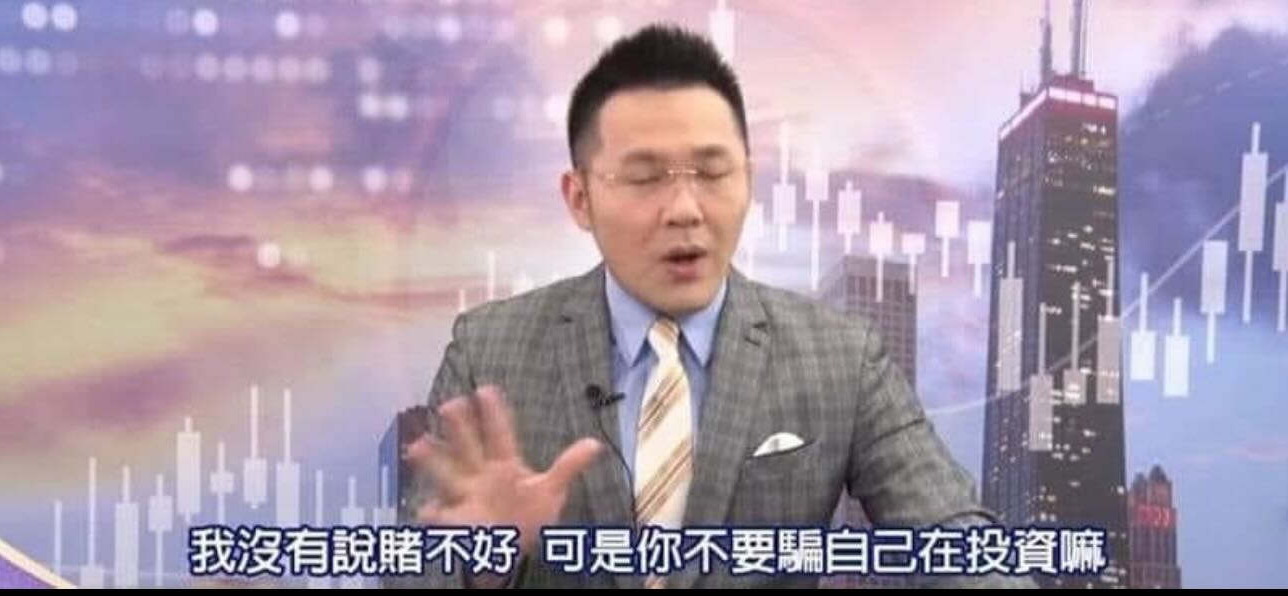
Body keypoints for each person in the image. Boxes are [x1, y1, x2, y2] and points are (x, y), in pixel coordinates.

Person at [400, 23, 1035, 589]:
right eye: (644, 177)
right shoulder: (489, 349)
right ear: (579, 198)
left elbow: (957, 541)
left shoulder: (843, 358)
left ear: (748, 180)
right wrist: (483, 563)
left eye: (712, 173)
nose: (685, 209)